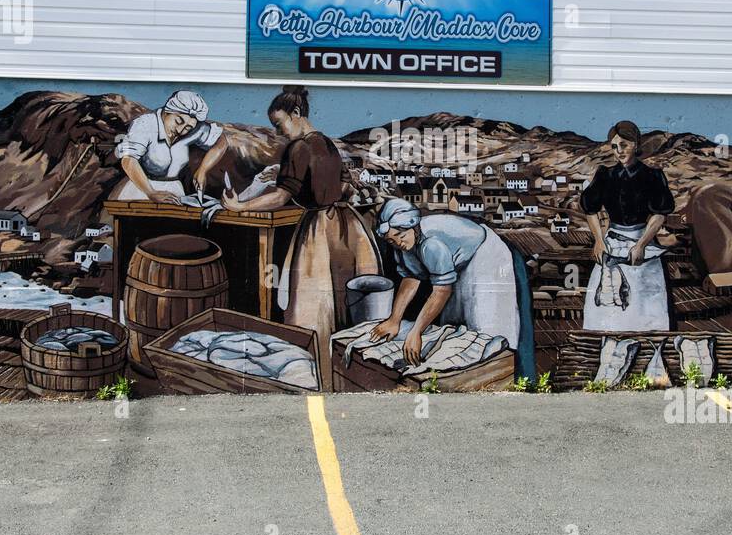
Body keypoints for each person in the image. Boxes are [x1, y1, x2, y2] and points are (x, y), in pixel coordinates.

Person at [221, 86, 381, 365]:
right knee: (342, 297)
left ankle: (312, 362)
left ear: (296, 114)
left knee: (312, 302)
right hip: (346, 227)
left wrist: (240, 206)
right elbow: (344, 184)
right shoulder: (327, 142)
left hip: (319, 230)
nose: (279, 131)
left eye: (279, 124)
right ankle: (343, 363)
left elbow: (282, 194)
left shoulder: (298, 147)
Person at [370, 198, 532, 376]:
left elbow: (442, 291)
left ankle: (496, 377)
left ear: (413, 226)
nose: (398, 243)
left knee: (487, 332)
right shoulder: (405, 246)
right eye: (392, 241)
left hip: (486, 256)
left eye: (400, 236)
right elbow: (410, 279)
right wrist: (394, 320)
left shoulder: (430, 244)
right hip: (459, 261)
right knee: (454, 328)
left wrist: (416, 332)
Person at [580, 120, 675, 331]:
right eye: (614, 147)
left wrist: (641, 244)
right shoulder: (606, 175)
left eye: (624, 145)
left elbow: (660, 214)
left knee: (645, 305)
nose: (619, 151)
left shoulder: (652, 176)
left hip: (642, 242)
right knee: (606, 303)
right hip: (611, 244)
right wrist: (598, 240)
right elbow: (590, 209)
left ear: (636, 143)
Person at [113, 90, 228, 203]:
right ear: (167, 111)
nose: (180, 130)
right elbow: (128, 160)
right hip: (141, 192)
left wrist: (203, 169)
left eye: (188, 128)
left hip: (174, 192)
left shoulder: (193, 128)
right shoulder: (145, 124)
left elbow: (221, 141)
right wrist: (151, 193)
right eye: (178, 121)